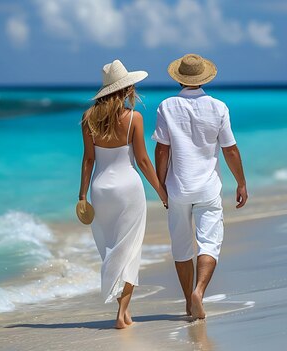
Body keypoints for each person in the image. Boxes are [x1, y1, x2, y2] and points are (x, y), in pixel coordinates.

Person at [152, 54, 248, 320]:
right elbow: (230, 150)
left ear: (179, 78)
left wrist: (161, 185)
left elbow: (162, 150)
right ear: (204, 77)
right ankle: (199, 292)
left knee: (181, 246)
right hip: (207, 188)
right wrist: (241, 182)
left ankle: (187, 303)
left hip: (178, 187)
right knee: (209, 243)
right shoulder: (219, 107)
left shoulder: (166, 106)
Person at [78, 59, 168, 329]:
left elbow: (88, 160)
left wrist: (82, 195)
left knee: (111, 248)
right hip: (129, 189)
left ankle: (123, 310)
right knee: (129, 250)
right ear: (126, 89)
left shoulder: (88, 118)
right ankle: (122, 312)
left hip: (101, 190)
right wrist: (161, 191)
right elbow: (142, 160)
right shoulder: (134, 119)